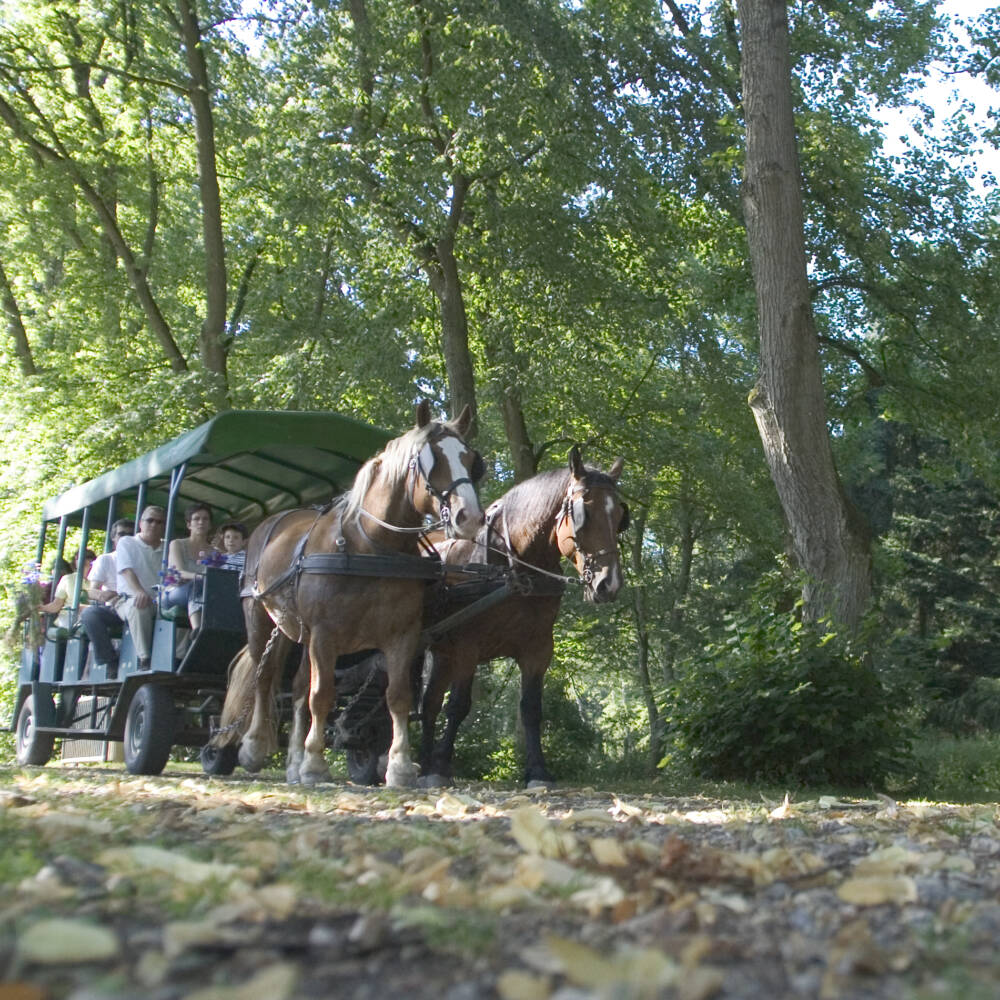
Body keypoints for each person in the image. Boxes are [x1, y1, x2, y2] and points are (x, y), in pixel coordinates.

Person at [79, 518, 134, 673]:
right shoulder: (106, 559)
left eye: (130, 535)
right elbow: (91, 591)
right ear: (113, 538)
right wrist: (104, 594)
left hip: (138, 603)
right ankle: (109, 659)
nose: (125, 538)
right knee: (90, 614)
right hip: (115, 608)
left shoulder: (141, 556)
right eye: (121, 534)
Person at [115, 505, 166, 669]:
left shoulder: (167, 548)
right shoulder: (127, 542)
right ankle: (144, 659)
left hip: (160, 600)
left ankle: (177, 658)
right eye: (150, 520)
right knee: (139, 607)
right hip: (129, 599)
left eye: (159, 522)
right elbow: (126, 570)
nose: (154, 525)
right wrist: (139, 591)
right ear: (140, 523)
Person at [163, 503, 213, 631]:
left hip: (203, 593)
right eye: (196, 519)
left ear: (210, 524)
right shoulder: (177, 544)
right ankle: (198, 631)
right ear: (189, 524)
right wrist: (201, 577)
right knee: (195, 586)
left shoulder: (215, 552)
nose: (201, 522)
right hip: (175, 592)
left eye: (205, 519)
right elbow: (179, 573)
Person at [38, 549, 97, 631]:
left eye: (89, 564)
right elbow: (56, 605)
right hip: (68, 618)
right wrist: (41, 608)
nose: (88, 568)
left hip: (91, 618)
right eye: (84, 565)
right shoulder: (67, 579)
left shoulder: (98, 581)